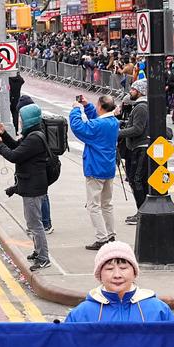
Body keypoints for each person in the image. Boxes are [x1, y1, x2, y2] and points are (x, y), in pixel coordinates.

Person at [0, 104, 52, 271]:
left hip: (34, 186)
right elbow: (18, 148)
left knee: (35, 224)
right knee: (32, 222)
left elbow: (14, 156)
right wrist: (4, 134)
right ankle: (38, 252)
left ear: (29, 120)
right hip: (31, 184)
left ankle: (44, 257)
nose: (20, 122)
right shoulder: (32, 135)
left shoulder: (34, 138)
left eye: (22, 119)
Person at [69, 94, 120, 250]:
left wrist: (76, 110)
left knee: (94, 206)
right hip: (108, 168)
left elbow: (80, 128)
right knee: (107, 204)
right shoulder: (113, 122)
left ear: (101, 107)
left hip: (95, 168)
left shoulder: (99, 125)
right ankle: (110, 234)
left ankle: (102, 238)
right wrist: (87, 106)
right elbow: (96, 121)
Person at [118, 79, 150, 223]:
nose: (130, 91)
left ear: (140, 91)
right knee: (136, 180)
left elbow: (138, 129)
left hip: (141, 148)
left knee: (136, 180)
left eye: (133, 89)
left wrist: (118, 133)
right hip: (138, 147)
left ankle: (142, 212)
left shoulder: (141, 107)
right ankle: (142, 211)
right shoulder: (139, 106)